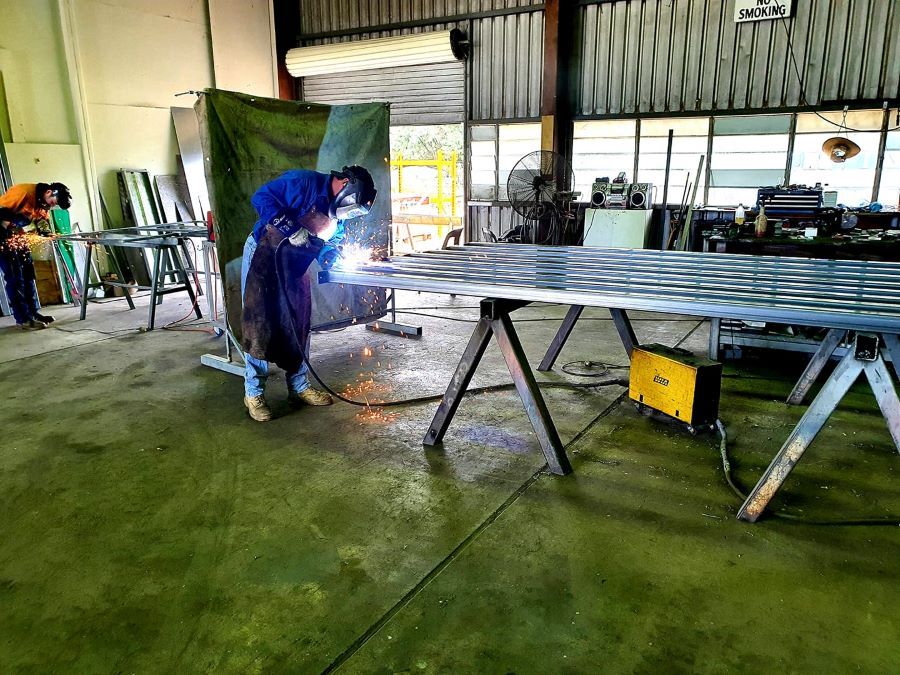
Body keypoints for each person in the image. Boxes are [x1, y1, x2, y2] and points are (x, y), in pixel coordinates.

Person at [241, 166, 377, 422]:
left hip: (296, 259)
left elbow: (330, 239)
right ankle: (253, 393)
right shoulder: (303, 182)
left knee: (299, 321)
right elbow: (261, 198)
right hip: (264, 255)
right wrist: (292, 229)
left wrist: (329, 255)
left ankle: (299, 386)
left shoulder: (339, 211)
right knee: (259, 321)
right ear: (345, 183)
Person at [0, 182, 71, 329]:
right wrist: (15, 226)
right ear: (49, 192)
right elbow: (1, 212)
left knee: (28, 273)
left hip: (16, 236)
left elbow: (41, 219)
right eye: (53, 202)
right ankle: (23, 319)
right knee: (15, 277)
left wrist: (44, 229)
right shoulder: (24, 192)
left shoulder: (43, 203)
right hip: (2, 235)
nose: (51, 206)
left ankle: (33, 313)